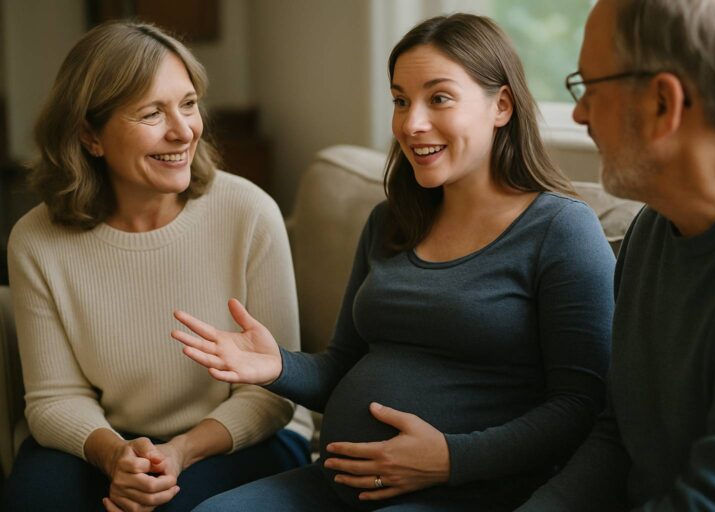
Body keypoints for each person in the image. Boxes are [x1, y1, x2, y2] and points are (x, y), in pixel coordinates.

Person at [178, 13, 616, 512]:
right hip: (337, 483)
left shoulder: (561, 230)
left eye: (440, 98)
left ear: (502, 105)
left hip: (465, 491)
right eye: (401, 100)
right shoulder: (391, 221)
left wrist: (451, 458)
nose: (412, 124)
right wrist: (277, 365)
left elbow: (581, 408)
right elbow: (340, 368)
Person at [2, 21, 313, 512]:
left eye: (188, 104)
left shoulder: (249, 213)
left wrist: (180, 452)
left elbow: (274, 394)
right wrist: (116, 456)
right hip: (109, 437)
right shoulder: (36, 240)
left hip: (244, 435)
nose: (183, 129)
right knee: (34, 501)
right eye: (151, 113)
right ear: (90, 135)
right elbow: (53, 399)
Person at [517, 0, 715, 510]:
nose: (580, 112)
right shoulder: (651, 231)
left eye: (590, 86)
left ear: (662, 103)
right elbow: (619, 436)